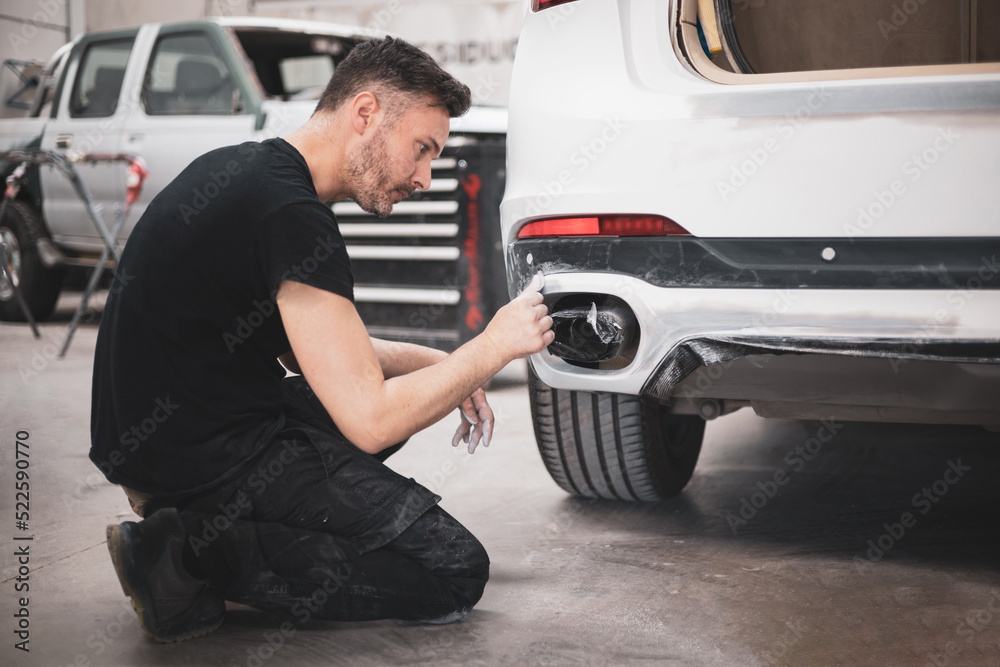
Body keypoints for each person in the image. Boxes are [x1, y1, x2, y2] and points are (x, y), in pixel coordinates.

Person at [89, 36, 554, 643]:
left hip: (168, 443)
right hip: (201, 460)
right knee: (453, 569)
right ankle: (184, 555)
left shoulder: (249, 174)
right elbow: (369, 420)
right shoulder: (292, 215)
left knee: (390, 398)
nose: (425, 177)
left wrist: (444, 364)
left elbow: (316, 356)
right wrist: (492, 346)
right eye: (421, 150)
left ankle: (198, 529)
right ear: (364, 114)